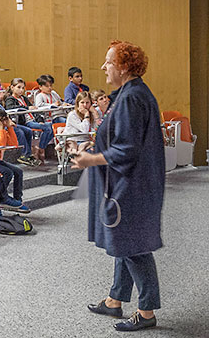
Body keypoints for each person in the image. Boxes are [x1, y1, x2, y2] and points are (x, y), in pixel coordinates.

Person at [73, 41, 164, 332]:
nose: (103, 67)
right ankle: (115, 299)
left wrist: (91, 159)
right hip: (130, 181)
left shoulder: (131, 98)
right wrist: (98, 144)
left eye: (108, 62)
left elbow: (127, 149)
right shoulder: (129, 93)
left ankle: (147, 311)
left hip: (131, 184)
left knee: (133, 245)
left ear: (124, 67)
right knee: (123, 240)